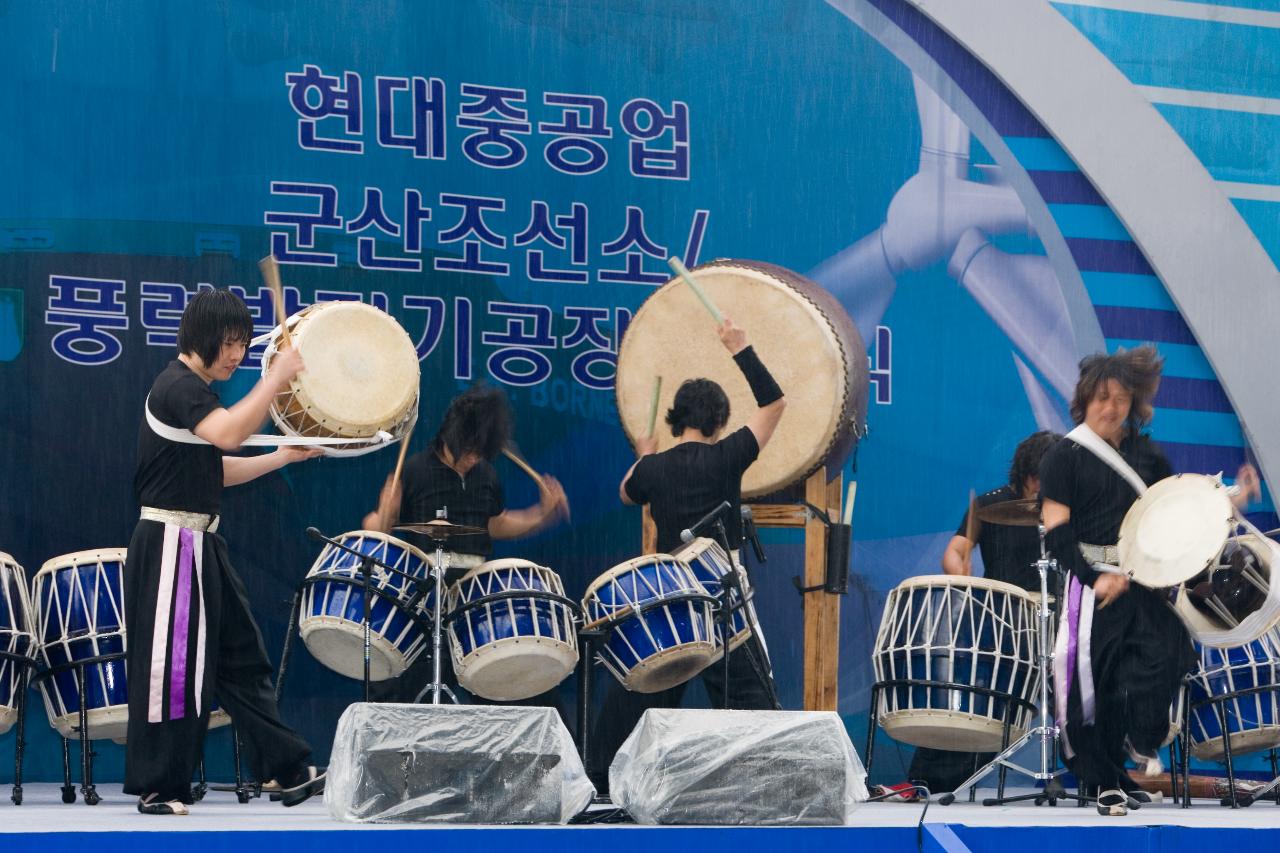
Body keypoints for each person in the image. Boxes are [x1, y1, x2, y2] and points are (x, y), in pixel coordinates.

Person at [124, 289, 326, 815]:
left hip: (199, 541)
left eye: (242, 343)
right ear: (203, 337)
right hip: (171, 543)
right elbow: (232, 436)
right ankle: (159, 785)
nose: (237, 354)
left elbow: (217, 471)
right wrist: (274, 378)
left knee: (241, 658)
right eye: (230, 343)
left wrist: (282, 457)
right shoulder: (179, 386)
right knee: (175, 672)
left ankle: (286, 769)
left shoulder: (196, 392)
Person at [1040, 345, 1258, 816]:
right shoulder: (1064, 456)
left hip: (1142, 581)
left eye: (1119, 398)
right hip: (1092, 586)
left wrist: (1235, 498)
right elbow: (1056, 531)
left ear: (1132, 403)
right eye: (1101, 397)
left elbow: (1183, 510)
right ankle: (1102, 781)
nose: (1110, 407)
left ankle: (1137, 744)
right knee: (1095, 683)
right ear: (1084, 400)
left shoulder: (1145, 454)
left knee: (1169, 650)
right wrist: (1093, 578)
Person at [590, 316, 786, 789]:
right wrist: (741, 348)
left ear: (678, 417)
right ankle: (763, 782)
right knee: (750, 699)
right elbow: (775, 402)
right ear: (719, 422)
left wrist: (643, 453)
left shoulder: (652, 469)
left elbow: (624, 492)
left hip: (670, 601)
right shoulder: (728, 455)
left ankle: (601, 777)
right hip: (720, 598)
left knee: (645, 690)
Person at [362, 385, 569, 704]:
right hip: (425, 596)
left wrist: (540, 514)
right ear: (450, 438)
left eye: (480, 453)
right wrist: (385, 511)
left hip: (476, 597)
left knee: (516, 676)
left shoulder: (486, 474)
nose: (473, 459)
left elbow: (494, 525)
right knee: (397, 687)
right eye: (469, 451)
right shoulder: (416, 469)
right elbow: (374, 529)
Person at [901, 430, 1060, 796]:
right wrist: (962, 575)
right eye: (1039, 478)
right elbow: (953, 553)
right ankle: (932, 782)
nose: (1044, 487)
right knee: (976, 701)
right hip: (1000, 614)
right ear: (1024, 472)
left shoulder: (1062, 508)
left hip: (1054, 614)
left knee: (1078, 691)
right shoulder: (990, 505)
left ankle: (1091, 775)